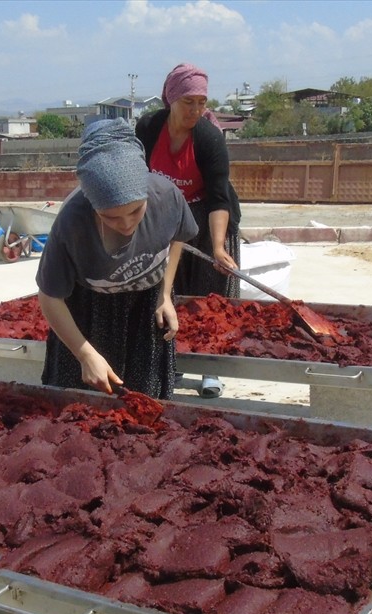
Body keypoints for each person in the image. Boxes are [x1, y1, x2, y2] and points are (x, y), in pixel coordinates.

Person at [36, 118, 198, 400]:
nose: (125, 224)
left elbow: (178, 236)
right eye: (110, 217)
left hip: (144, 310)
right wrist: (84, 354)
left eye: (136, 211)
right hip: (89, 314)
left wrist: (165, 295)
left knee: (144, 404)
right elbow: (50, 297)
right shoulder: (71, 222)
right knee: (80, 407)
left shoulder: (167, 196)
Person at [136, 62, 242, 399]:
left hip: (208, 216)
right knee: (168, 293)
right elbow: (137, 178)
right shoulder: (150, 127)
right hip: (164, 217)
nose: (196, 110)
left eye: (201, 102)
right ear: (171, 99)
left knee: (210, 297)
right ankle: (174, 360)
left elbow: (219, 197)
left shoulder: (209, 138)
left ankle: (212, 368)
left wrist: (219, 247)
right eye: (188, 102)